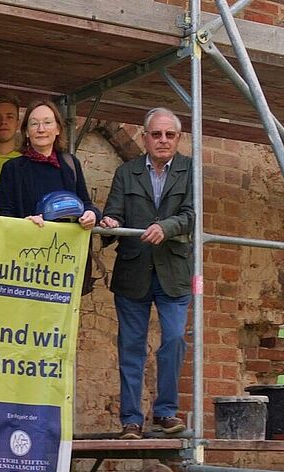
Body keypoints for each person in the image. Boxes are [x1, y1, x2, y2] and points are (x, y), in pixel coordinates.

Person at [99, 107, 195, 440]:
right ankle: (131, 420)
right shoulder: (127, 173)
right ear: (145, 137)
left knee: (173, 339)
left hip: (173, 272)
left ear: (178, 138)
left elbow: (191, 215)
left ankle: (166, 413)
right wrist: (109, 224)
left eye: (170, 134)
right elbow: (112, 216)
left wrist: (165, 228)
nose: (163, 140)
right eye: (156, 134)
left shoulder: (190, 170)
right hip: (133, 271)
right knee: (131, 347)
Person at [0, 99, 98, 229]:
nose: (41, 129)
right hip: (27, 245)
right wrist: (24, 223)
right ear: (26, 132)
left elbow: (85, 203)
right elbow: (4, 214)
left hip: (66, 246)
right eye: (34, 124)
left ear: (58, 129)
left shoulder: (71, 163)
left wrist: (91, 214)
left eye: (48, 122)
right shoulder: (12, 168)